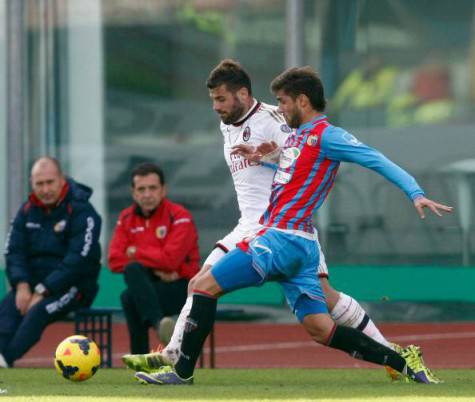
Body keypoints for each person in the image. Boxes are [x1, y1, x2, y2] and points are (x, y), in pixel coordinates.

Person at [133, 66, 453, 385]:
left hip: (279, 240)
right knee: (321, 329)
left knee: (203, 286)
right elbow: (296, 171)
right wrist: (264, 158)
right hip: (301, 249)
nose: (280, 109)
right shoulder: (296, 137)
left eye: (284, 102)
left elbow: (375, 158)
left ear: (302, 101)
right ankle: (403, 362)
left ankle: (181, 373)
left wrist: (415, 192)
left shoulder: (328, 135)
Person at [0, 157, 102, 368]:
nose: (45, 189)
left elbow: (79, 260)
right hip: (33, 284)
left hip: (76, 286)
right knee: (8, 311)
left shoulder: (83, 211)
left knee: (37, 312)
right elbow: (14, 251)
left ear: (61, 180)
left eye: (50, 182)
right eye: (40, 184)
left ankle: (4, 360)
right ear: (32, 183)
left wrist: (44, 290)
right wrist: (21, 285)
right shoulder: (27, 210)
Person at [108, 162, 200, 354]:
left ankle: (139, 359)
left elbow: (170, 260)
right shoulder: (126, 218)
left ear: (163, 190)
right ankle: (159, 325)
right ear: (133, 193)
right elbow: (114, 260)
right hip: (150, 285)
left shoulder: (180, 216)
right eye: (141, 189)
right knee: (131, 283)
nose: (147, 194)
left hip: (183, 288)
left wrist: (135, 252)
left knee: (130, 296)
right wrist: (155, 266)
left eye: (152, 188)